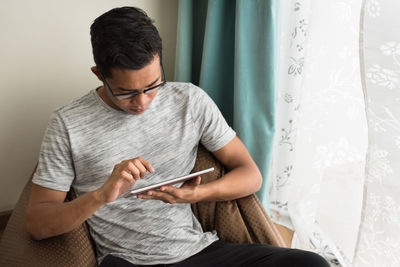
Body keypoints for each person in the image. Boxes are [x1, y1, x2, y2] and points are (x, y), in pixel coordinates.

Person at [26, 6, 329, 267]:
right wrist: (102, 195)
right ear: (98, 74)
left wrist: (195, 194)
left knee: (310, 262)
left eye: (153, 85)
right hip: (127, 261)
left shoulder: (190, 101)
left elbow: (250, 175)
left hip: (199, 252)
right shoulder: (67, 124)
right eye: (126, 93)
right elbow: (38, 224)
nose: (142, 102)